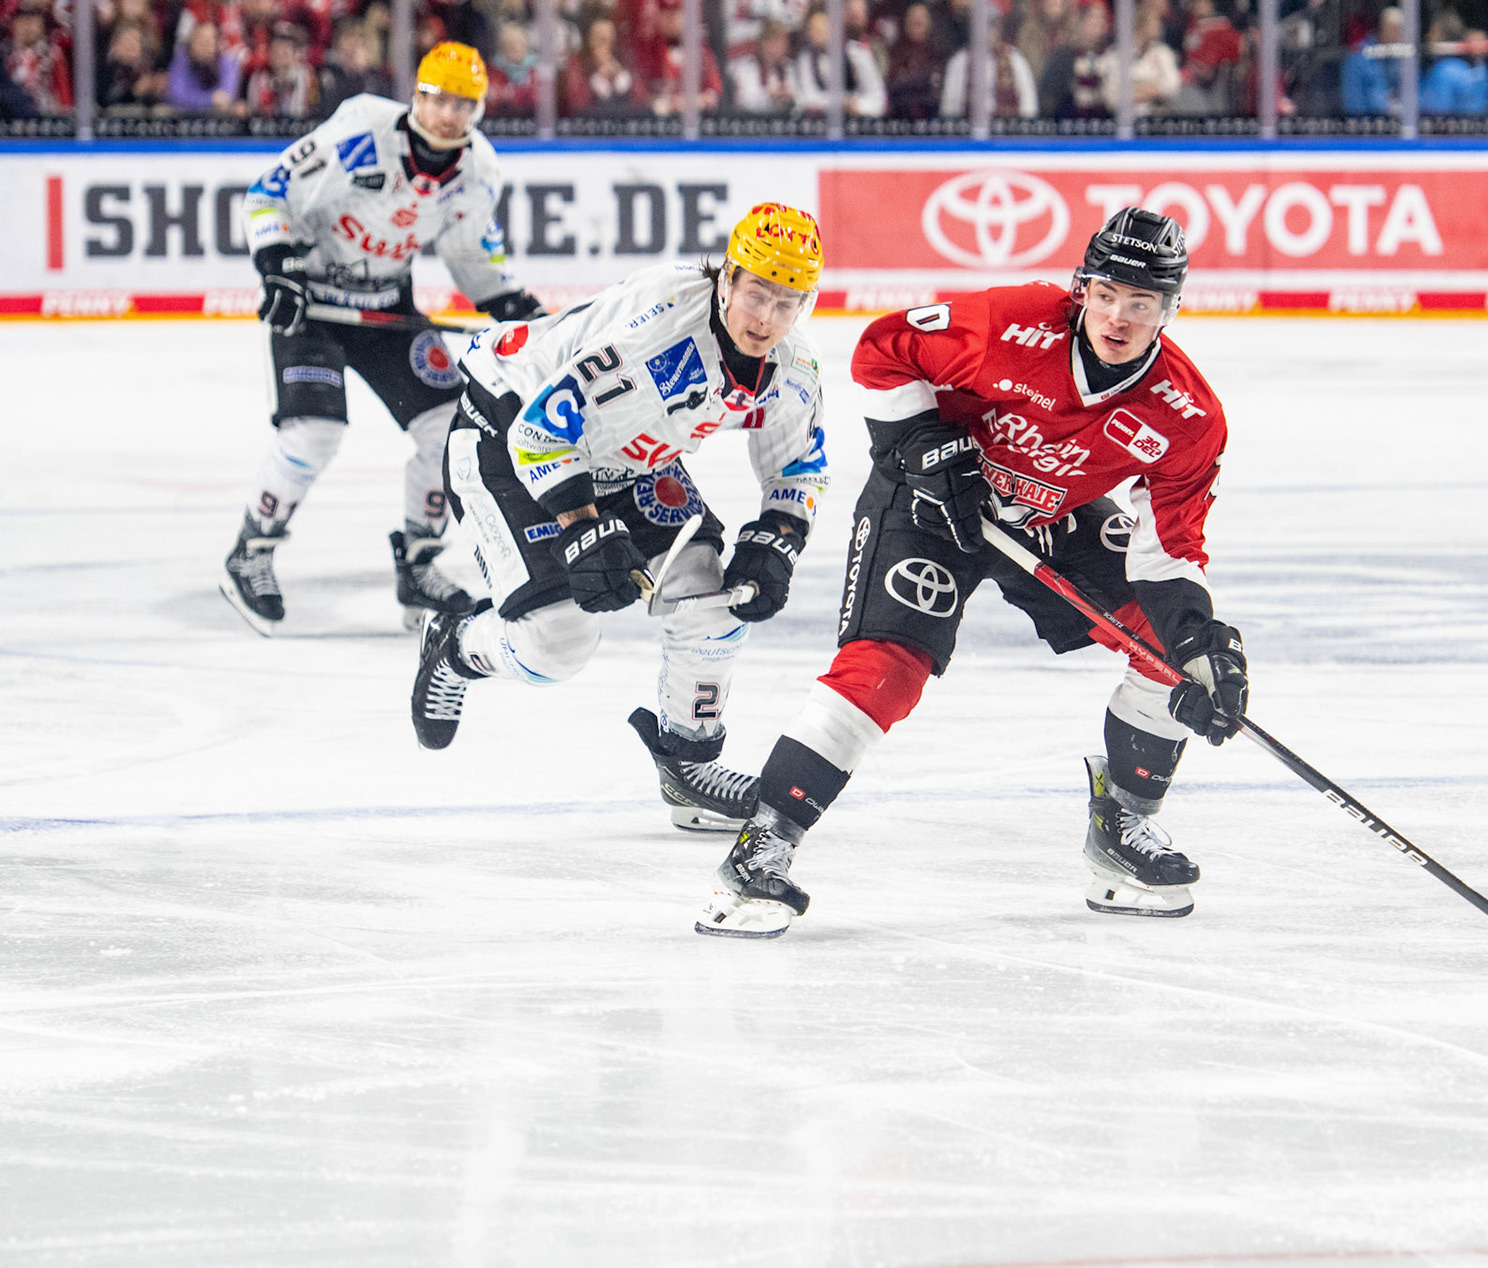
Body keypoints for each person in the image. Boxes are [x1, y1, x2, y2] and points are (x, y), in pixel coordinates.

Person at [694, 208, 1248, 939]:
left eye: (1142, 303)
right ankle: (762, 846)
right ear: (1082, 287)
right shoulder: (1011, 322)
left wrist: (1198, 643)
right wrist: (926, 443)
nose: (1119, 315)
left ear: (1171, 310)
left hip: (1048, 516)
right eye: (1107, 293)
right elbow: (882, 349)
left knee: (1169, 654)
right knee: (886, 670)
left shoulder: (1188, 415)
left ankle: (1124, 827)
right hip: (929, 499)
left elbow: (1169, 550)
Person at [412, 204, 830, 837]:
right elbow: (540, 432)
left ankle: (687, 767)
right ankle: (457, 645)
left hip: (626, 457)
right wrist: (585, 529)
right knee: (556, 646)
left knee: (712, 602)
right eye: (757, 294)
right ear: (727, 280)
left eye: (787, 302)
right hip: (506, 435)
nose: (766, 318)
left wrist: (778, 541)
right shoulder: (658, 331)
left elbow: (799, 463)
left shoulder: (793, 365)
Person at [220, 43, 544, 636]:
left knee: (449, 429)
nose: (449, 114)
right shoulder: (361, 130)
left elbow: (472, 257)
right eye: (439, 99)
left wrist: (515, 309)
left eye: (463, 104)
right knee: (314, 433)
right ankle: (251, 551)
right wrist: (277, 267)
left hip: (385, 307)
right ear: (417, 95)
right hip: (312, 304)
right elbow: (269, 192)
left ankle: (418, 566)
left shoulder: (478, 171)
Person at [1340, 6, 1400, 117]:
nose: (1395, 35)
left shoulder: (1402, 56)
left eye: (1400, 31)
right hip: (1367, 126)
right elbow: (1353, 103)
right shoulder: (1359, 56)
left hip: (1397, 125)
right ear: (1382, 28)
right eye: (1392, 29)